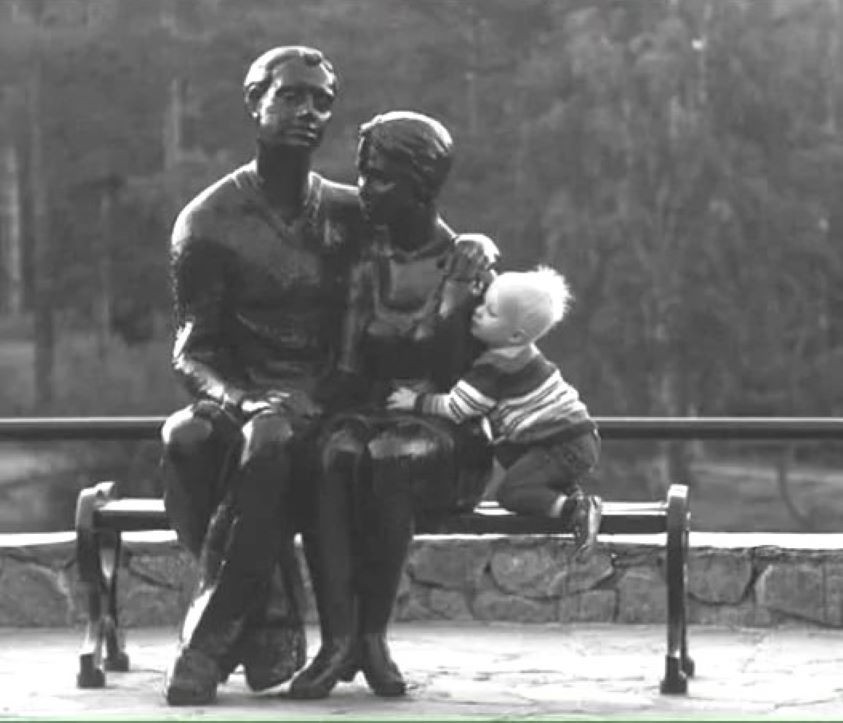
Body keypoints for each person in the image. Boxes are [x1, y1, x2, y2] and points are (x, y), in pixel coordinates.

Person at [159, 45, 367, 706]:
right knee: (183, 440)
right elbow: (192, 350)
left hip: (329, 401)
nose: (308, 112)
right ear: (255, 103)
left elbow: (431, 245)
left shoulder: (349, 212)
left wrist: (474, 247)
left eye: (321, 101)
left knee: (272, 439)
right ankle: (271, 612)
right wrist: (238, 398)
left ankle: (209, 641)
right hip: (243, 399)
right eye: (291, 96)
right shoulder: (207, 222)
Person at [288, 111, 497, 700]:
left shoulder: (467, 264)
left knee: (389, 455)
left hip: (447, 429)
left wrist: (462, 283)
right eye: (362, 174)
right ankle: (338, 641)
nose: (364, 189)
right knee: (333, 452)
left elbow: (469, 372)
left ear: (421, 185)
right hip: (375, 416)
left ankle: (372, 638)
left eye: (379, 177)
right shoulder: (366, 261)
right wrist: (291, 407)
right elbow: (348, 372)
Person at [388, 266, 603, 557]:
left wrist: (415, 401)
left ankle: (574, 509)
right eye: (482, 303)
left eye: (490, 312)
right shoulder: (523, 354)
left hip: (560, 443)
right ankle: (570, 495)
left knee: (512, 493)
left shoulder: (495, 369)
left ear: (515, 335)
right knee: (511, 454)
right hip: (573, 438)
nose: (477, 313)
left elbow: (457, 407)